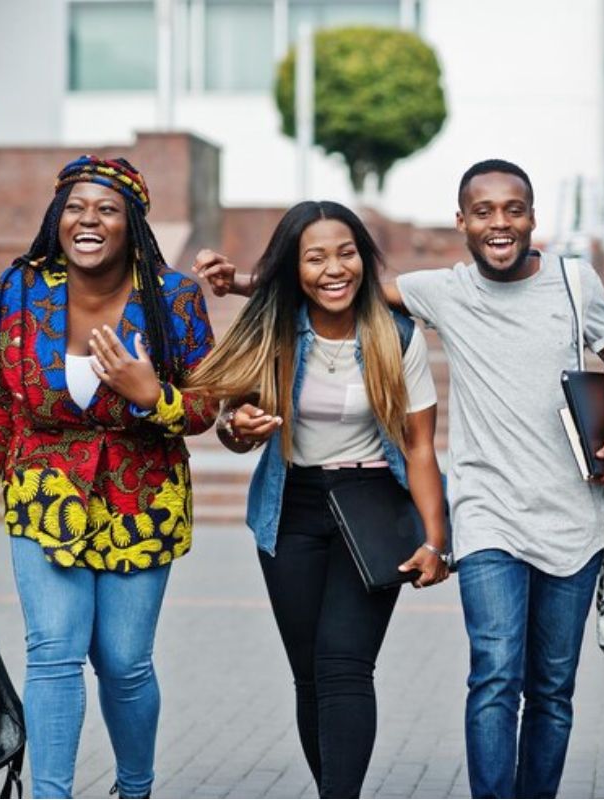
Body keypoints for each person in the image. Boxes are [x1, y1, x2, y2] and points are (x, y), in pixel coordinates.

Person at [195, 160, 604, 799]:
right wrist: (240, 281)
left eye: (513, 209)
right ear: (460, 221)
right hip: (484, 511)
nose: (499, 223)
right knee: (492, 675)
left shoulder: (575, 284)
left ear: (534, 217)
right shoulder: (445, 289)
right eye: (482, 211)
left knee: (552, 687)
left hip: (572, 512)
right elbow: (324, 282)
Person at [0, 155, 217, 799]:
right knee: (53, 656)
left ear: (133, 225)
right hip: (44, 496)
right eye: (75, 207)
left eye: (107, 209)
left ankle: (135, 788)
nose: (88, 220)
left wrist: (153, 394)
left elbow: (205, 407)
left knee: (123, 665)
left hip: (141, 499)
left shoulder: (173, 298)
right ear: (57, 218)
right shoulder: (18, 290)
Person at [184, 200, 449, 798]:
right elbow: (229, 423)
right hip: (292, 506)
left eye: (347, 252)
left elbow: (421, 447)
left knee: (344, 667)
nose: (335, 268)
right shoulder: (272, 328)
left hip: (373, 504)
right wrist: (237, 429)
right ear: (294, 268)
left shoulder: (395, 333)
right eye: (316, 257)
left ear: (365, 259)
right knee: (309, 676)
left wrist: (436, 539)